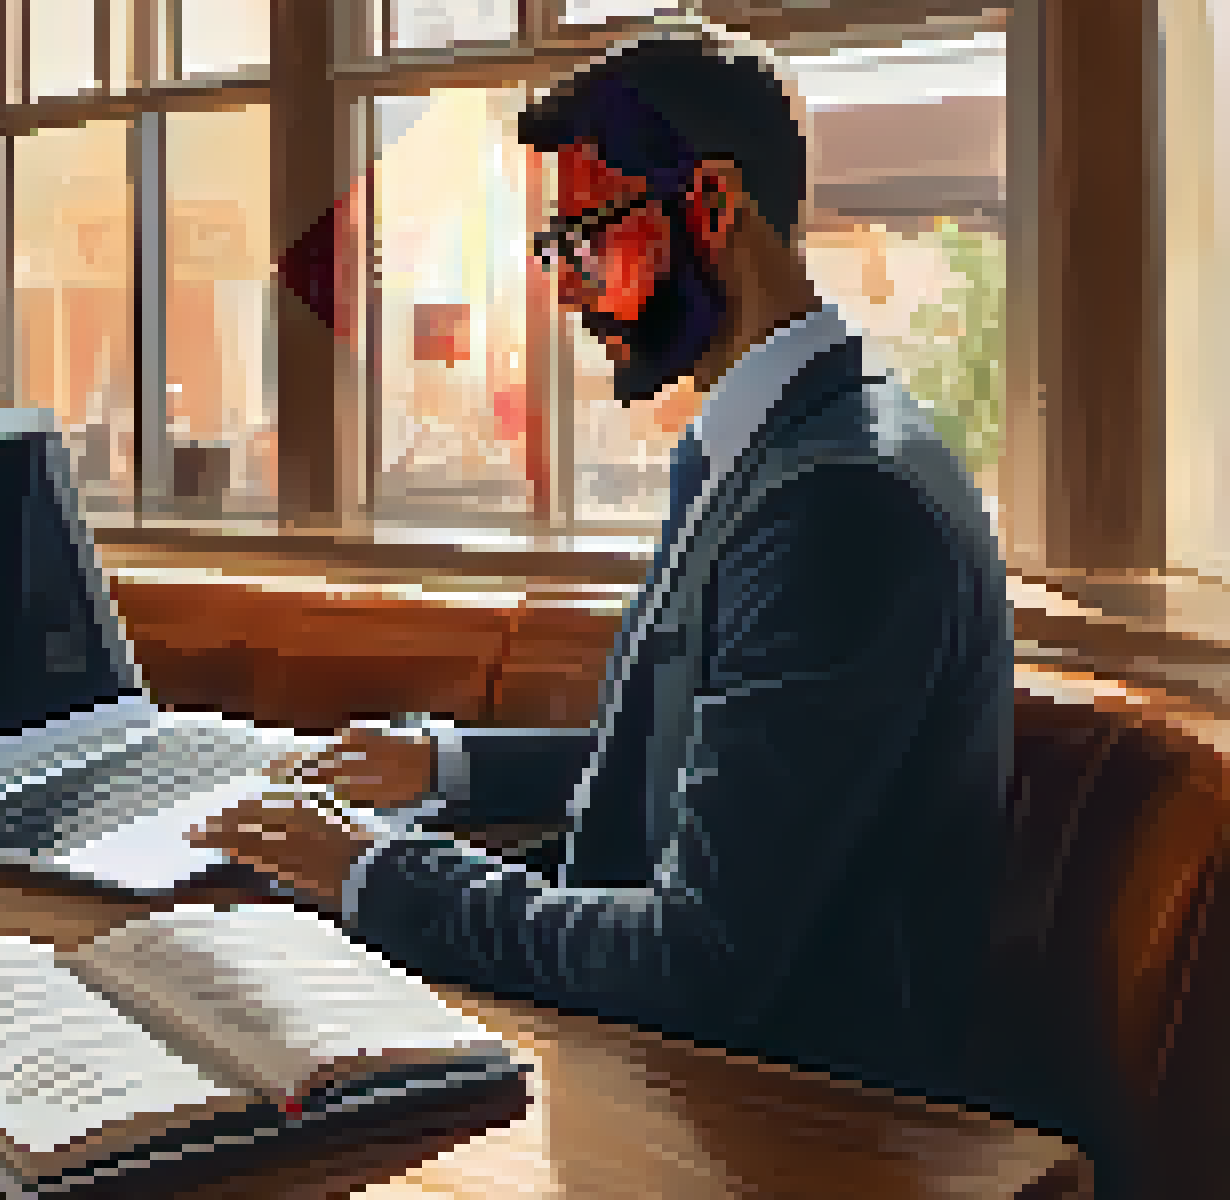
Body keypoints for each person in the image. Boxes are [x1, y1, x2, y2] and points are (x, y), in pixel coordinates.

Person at [189, 30, 1013, 1107]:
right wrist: (445, 768)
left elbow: (700, 961)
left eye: (584, 241)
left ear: (711, 207)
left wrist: (374, 872)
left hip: (772, 1123)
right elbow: (714, 753)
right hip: (680, 1072)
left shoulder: (836, 503)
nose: (570, 294)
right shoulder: (784, 447)